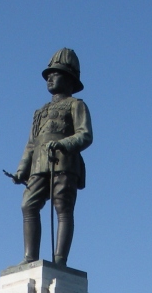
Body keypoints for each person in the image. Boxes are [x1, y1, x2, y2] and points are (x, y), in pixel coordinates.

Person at [8, 48, 93, 268]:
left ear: (69, 79)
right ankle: (30, 257)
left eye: (55, 74)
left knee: (62, 208)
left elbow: (85, 135)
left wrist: (64, 144)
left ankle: (60, 260)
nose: (50, 78)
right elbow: (31, 143)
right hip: (38, 165)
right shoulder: (39, 112)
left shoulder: (76, 105)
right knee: (28, 205)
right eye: (48, 75)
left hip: (64, 163)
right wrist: (22, 170)